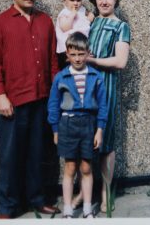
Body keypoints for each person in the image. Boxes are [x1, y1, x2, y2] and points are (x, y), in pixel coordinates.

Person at [0, 0, 61, 219]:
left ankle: (37, 199)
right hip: (13, 100)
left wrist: (53, 97)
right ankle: (7, 207)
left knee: (38, 153)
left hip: (41, 98)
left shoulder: (45, 21)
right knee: (9, 156)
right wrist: (0, 95)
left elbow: (52, 61)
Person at [70, 0, 130, 213]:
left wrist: (92, 60)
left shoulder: (121, 26)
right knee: (83, 142)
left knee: (105, 144)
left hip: (106, 89)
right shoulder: (89, 23)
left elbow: (121, 61)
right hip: (84, 89)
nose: (104, 1)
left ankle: (106, 195)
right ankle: (81, 194)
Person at [47, 32, 108, 218]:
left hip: (89, 125)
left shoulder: (95, 76)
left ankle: (88, 208)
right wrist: (55, 129)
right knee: (70, 168)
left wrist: (99, 130)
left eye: (81, 54)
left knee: (86, 168)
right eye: (73, 54)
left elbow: (103, 106)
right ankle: (67, 208)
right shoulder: (61, 77)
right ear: (67, 54)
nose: (77, 58)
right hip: (67, 124)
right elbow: (53, 105)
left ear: (88, 53)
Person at [55, 0, 94, 69]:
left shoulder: (82, 10)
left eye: (78, 0)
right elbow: (65, 28)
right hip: (66, 50)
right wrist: (72, 15)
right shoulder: (64, 13)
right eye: (72, 0)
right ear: (64, 0)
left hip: (80, 47)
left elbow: (88, 15)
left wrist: (90, 16)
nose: (76, 3)